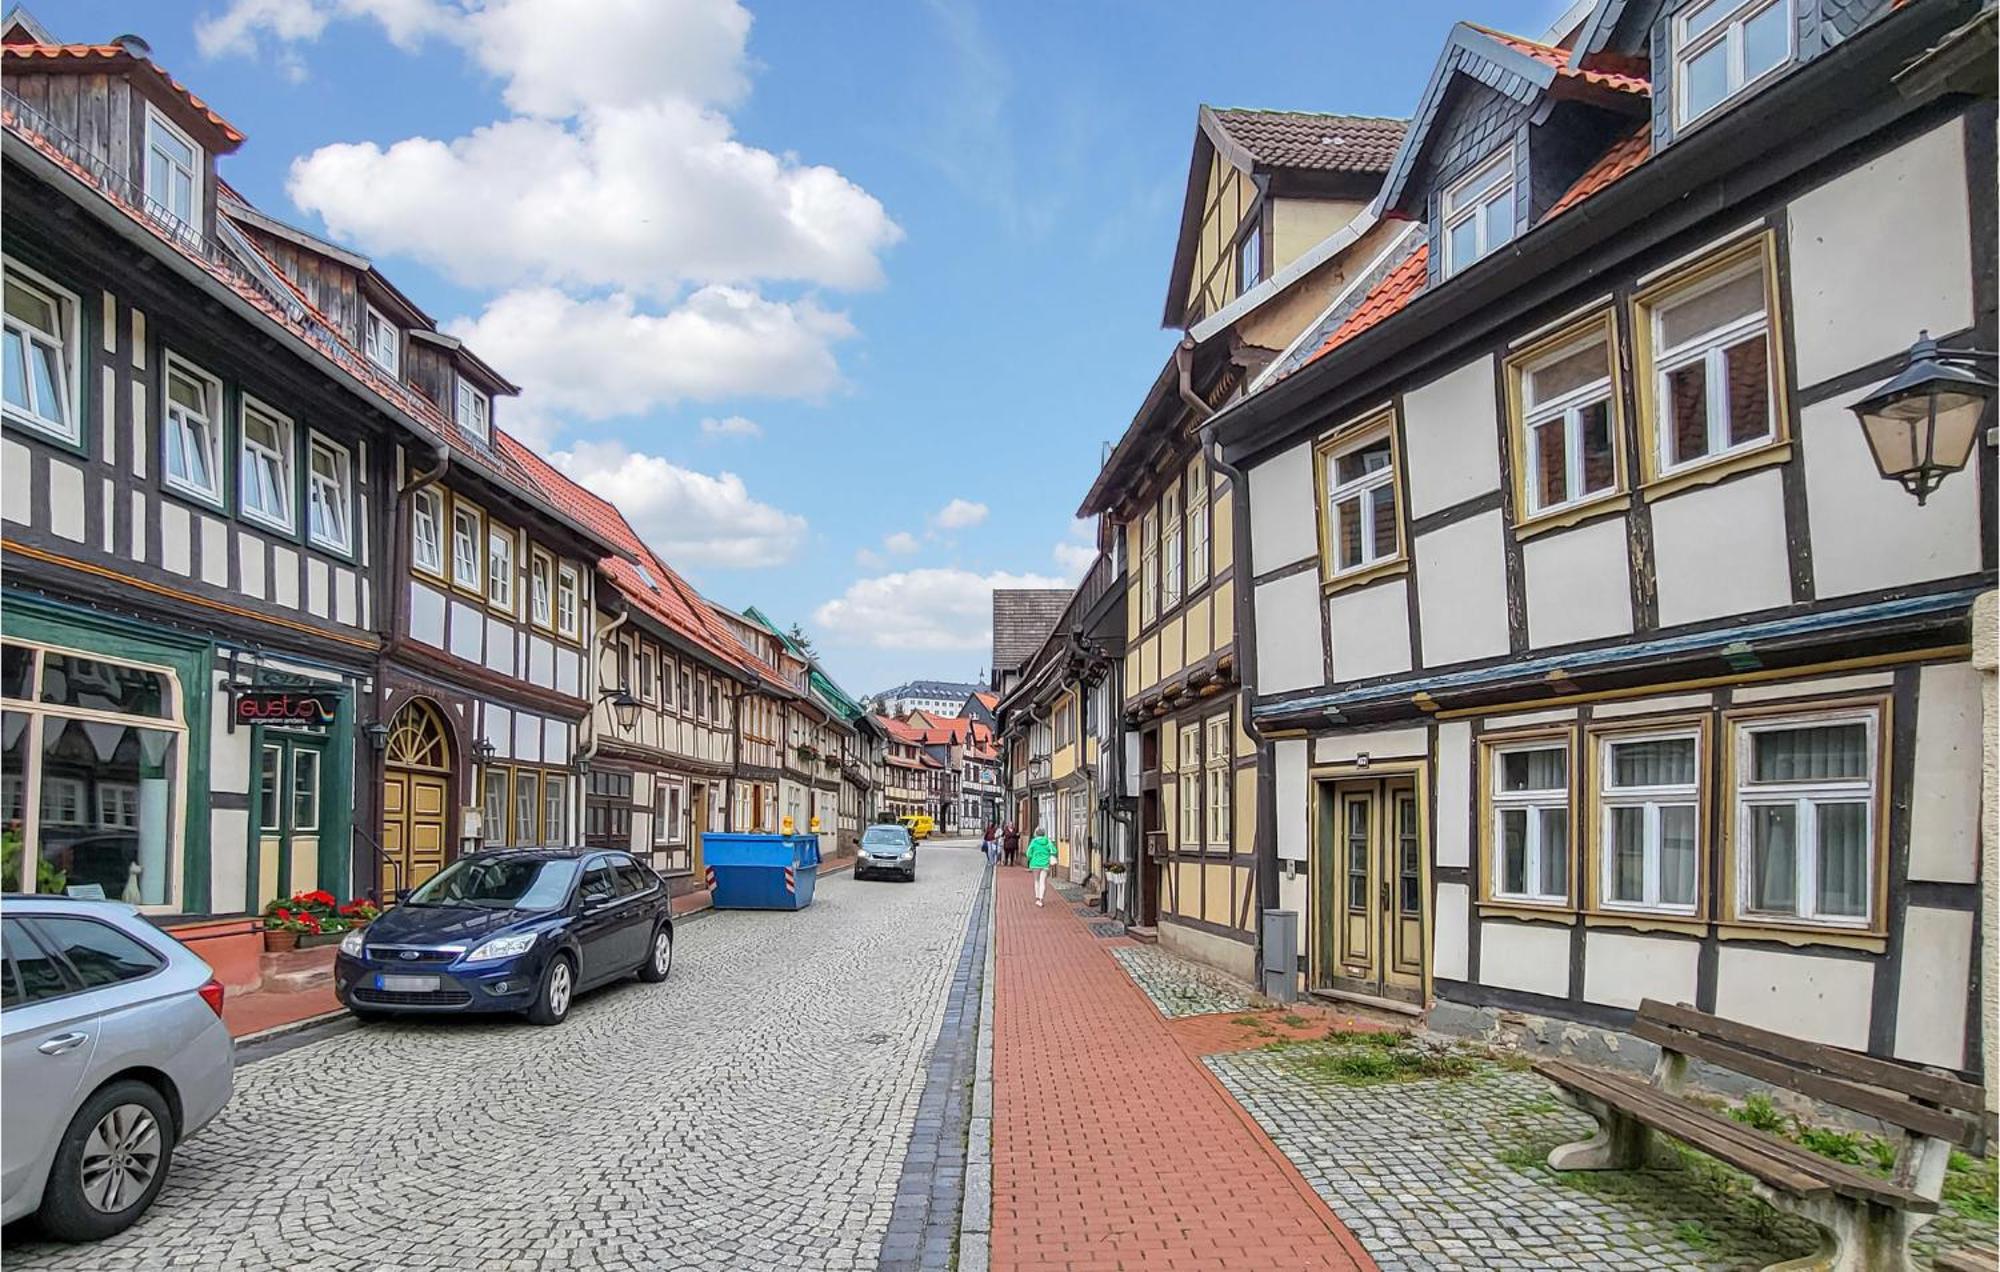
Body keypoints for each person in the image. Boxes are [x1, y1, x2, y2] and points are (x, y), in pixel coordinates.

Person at [1026, 828, 1055, 906]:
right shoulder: (1048, 841)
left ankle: (1037, 898)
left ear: (1036, 834)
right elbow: (1054, 850)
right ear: (1044, 833)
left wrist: (1031, 857)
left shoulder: (1034, 841)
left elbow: (1028, 853)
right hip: (1045, 863)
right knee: (1043, 881)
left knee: (1036, 881)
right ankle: (1041, 899)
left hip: (1035, 864)